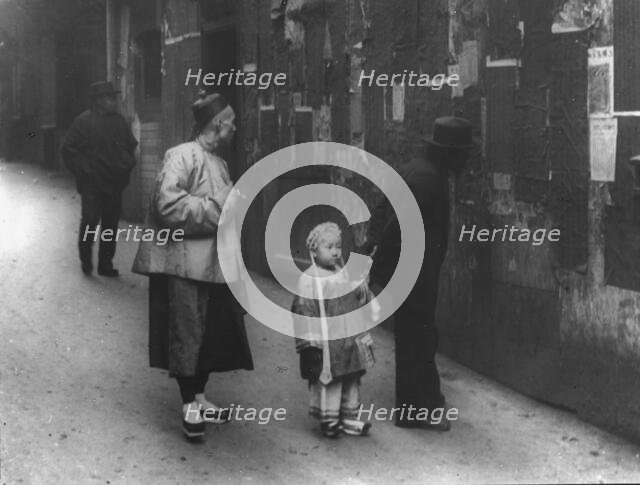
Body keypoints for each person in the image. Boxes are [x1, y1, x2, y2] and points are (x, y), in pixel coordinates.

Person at [132, 92, 253, 440]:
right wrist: (221, 208)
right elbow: (167, 207)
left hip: (214, 266)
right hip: (183, 266)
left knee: (210, 332)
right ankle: (189, 406)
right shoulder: (180, 156)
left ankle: (199, 396)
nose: (235, 129)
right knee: (187, 332)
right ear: (217, 125)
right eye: (231, 124)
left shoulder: (218, 161)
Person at [364, 116, 473, 431]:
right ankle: (414, 411)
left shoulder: (417, 169)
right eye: (462, 153)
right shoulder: (429, 179)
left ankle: (425, 401)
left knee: (418, 336)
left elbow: (382, 209)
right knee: (417, 339)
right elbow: (395, 225)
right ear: (449, 153)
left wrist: (374, 253)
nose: (466, 159)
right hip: (413, 273)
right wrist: (379, 263)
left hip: (410, 271)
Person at [292, 222, 379, 437]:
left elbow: (358, 298)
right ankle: (329, 417)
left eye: (338, 246)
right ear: (314, 250)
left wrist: (362, 289)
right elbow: (303, 311)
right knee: (330, 378)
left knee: (352, 377)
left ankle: (348, 415)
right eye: (328, 247)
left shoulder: (343, 274)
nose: (335, 251)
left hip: (349, 338)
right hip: (328, 341)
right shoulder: (309, 279)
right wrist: (310, 344)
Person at [61, 81, 138, 276]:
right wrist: (84, 170)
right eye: (109, 98)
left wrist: (125, 166)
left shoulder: (119, 122)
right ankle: (86, 262)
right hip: (92, 184)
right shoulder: (83, 122)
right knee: (89, 221)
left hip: (113, 183)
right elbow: (68, 150)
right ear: (98, 101)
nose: (113, 101)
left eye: (114, 98)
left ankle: (105, 265)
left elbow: (130, 146)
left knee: (110, 225)